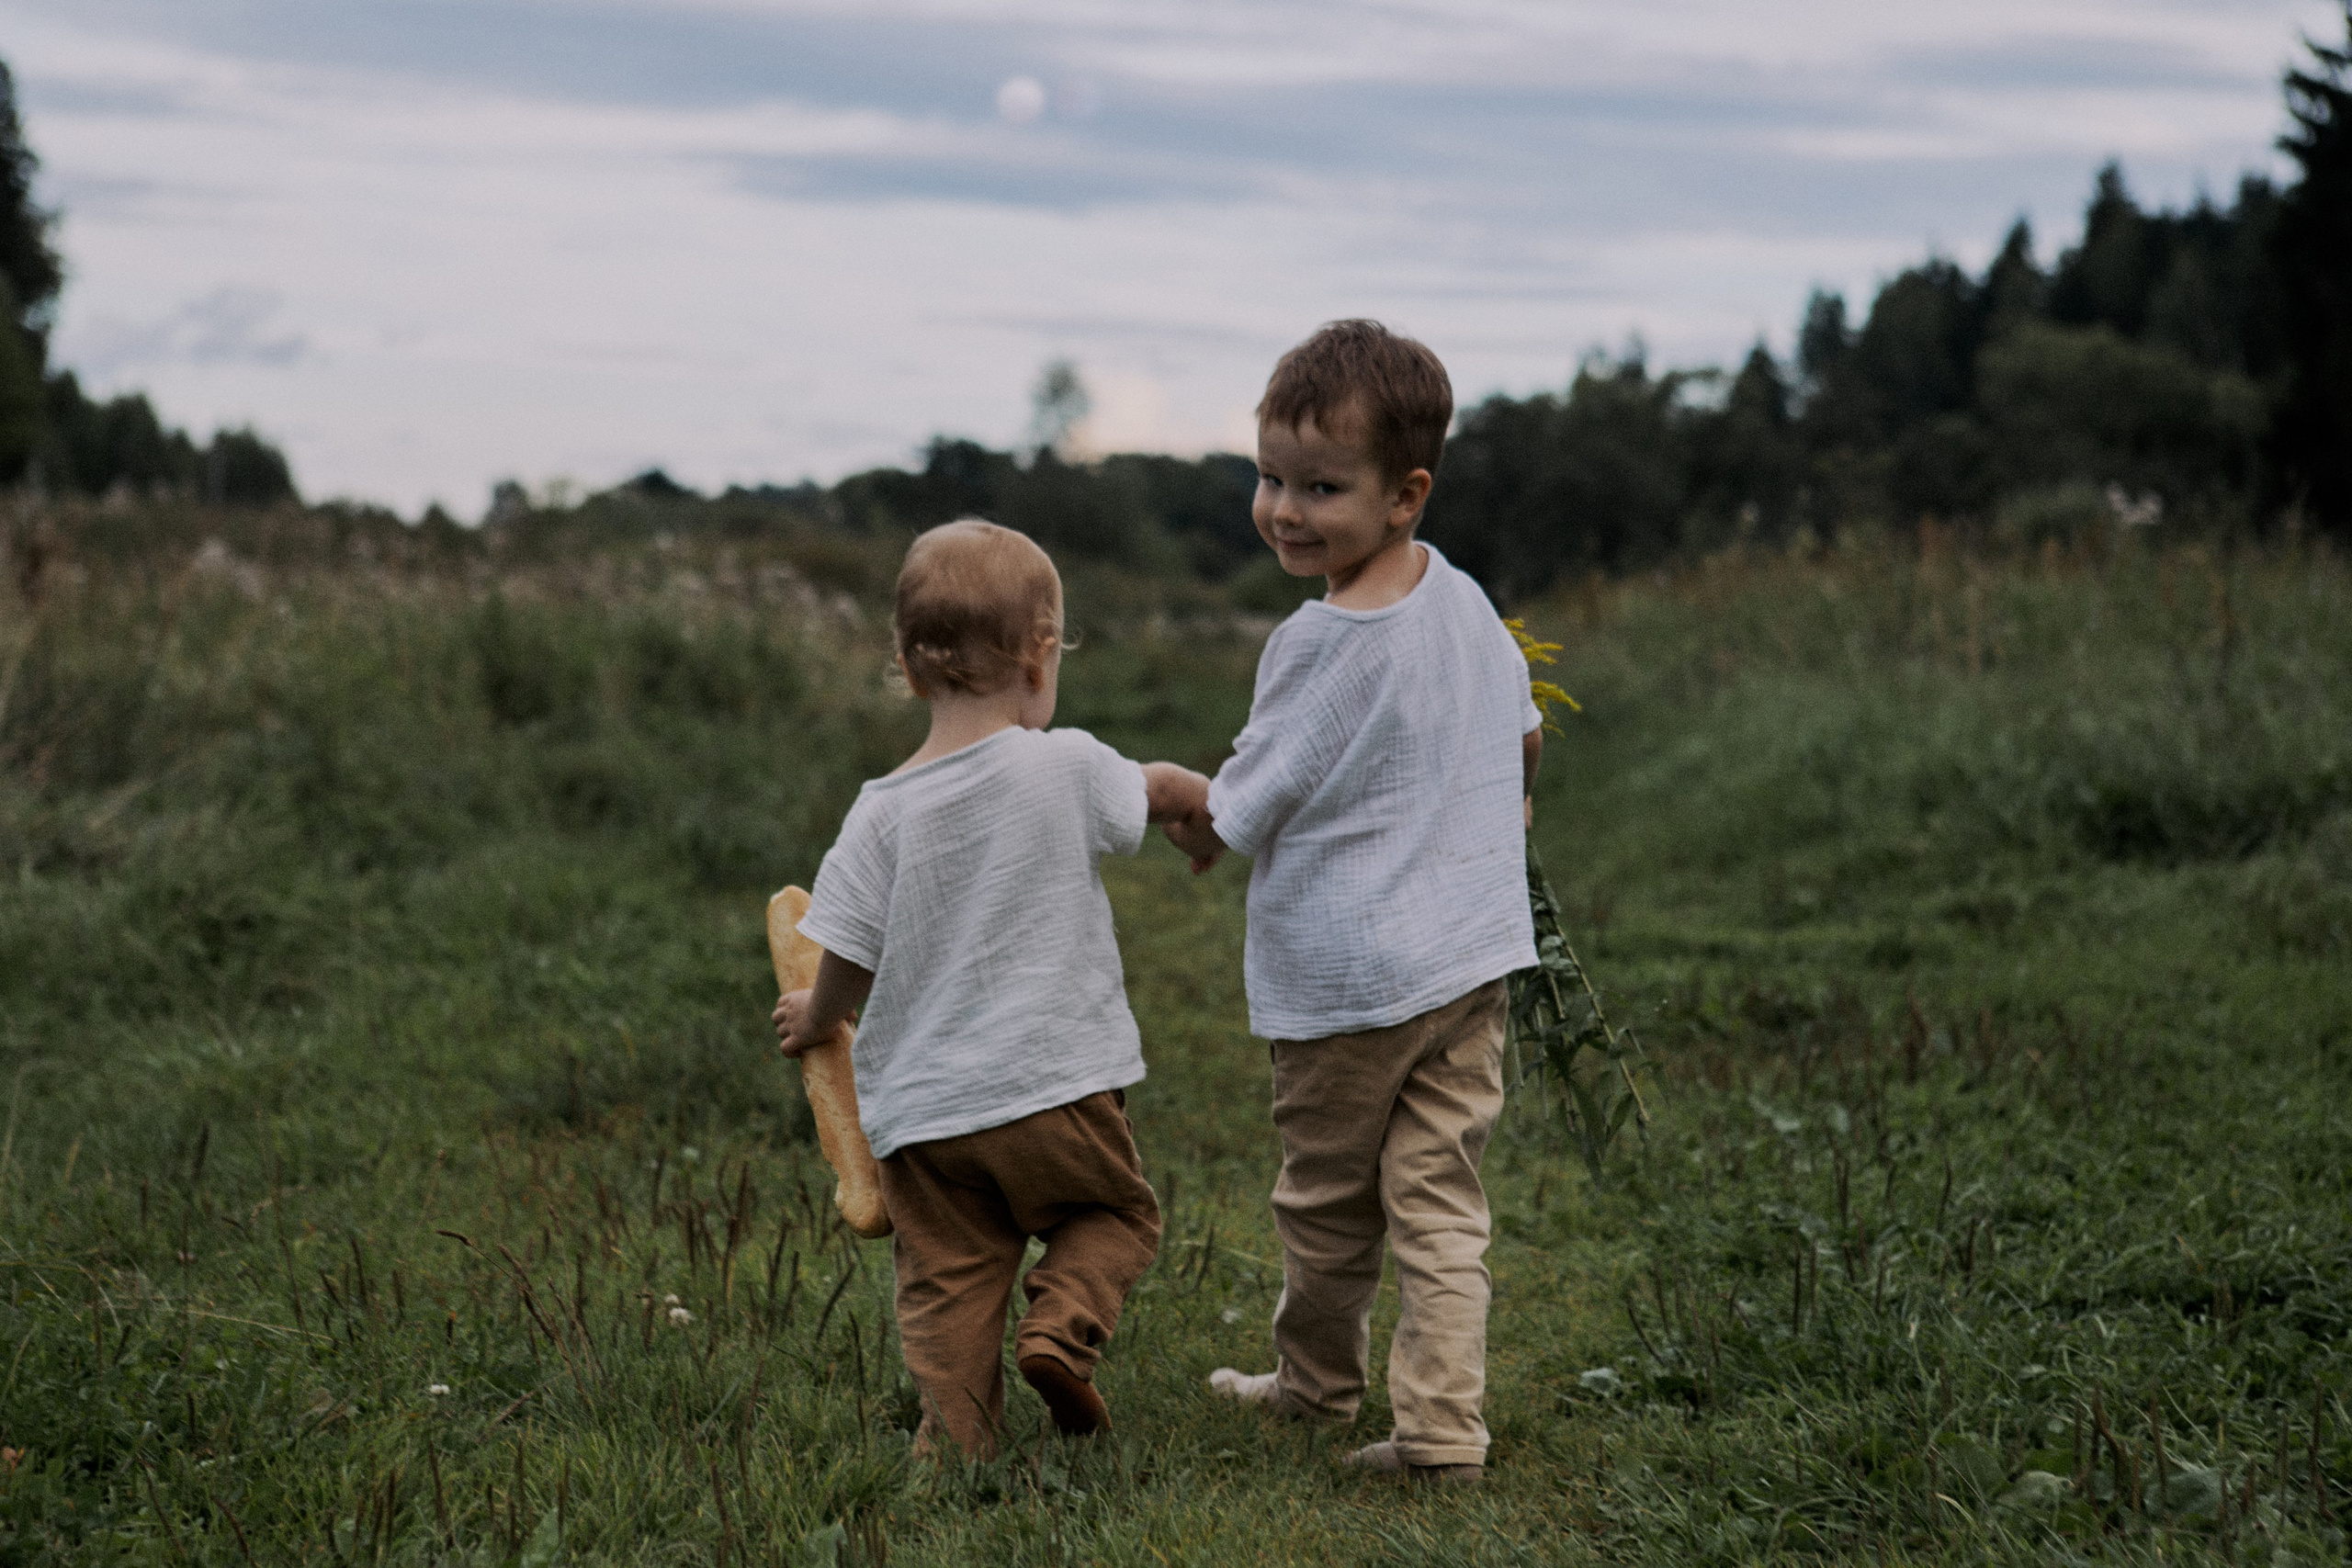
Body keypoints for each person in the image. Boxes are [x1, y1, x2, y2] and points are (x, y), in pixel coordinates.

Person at [1164, 320, 1543, 1484]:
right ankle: (1441, 1433)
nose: (1283, 508)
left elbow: (1242, 806)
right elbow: (1522, 741)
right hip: (1470, 965)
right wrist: (1497, 830)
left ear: (1403, 493)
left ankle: (1315, 1387)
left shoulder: (1324, 638)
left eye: (1321, 487)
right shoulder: (1466, 600)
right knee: (1438, 1200)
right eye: (1269, 476)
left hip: (1347, 991)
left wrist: (1171, 798)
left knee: (1327, 1206)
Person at [774, 519, 1212, 1457]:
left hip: (924, 1118)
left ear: (906, 661)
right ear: (1041, 653)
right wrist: (1199, 814)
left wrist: (816, 1019)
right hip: (1056, 1087)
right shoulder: (1068, 766)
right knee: (1112, 1215)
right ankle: (1060, 1332)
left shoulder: (879, 812)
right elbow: (1160, 787)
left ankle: (959, 1447)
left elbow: (843, 950)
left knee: (950, 1281)